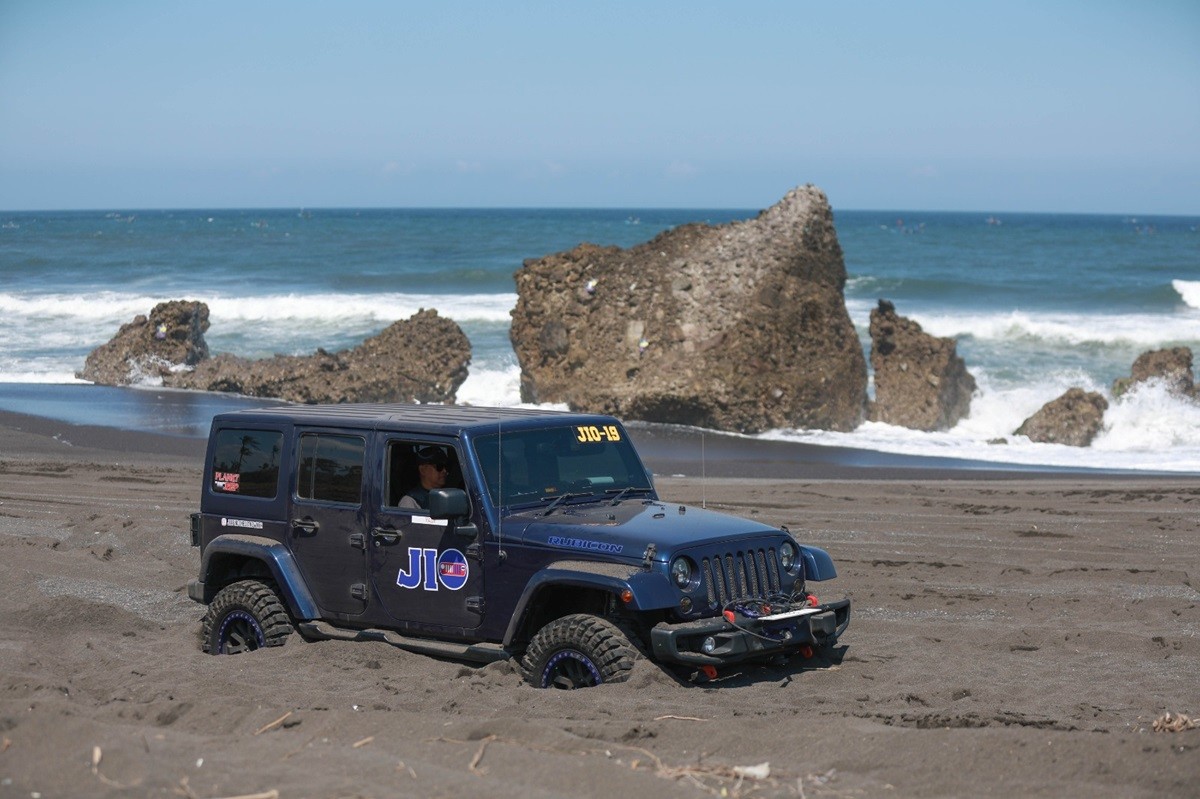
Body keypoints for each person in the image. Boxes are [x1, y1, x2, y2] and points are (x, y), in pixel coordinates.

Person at [398, 445, 449, 510]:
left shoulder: (449, 496)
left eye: (446, 467)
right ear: (423, 470)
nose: (444, 471)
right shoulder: (410, 501)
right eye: (439, 467)